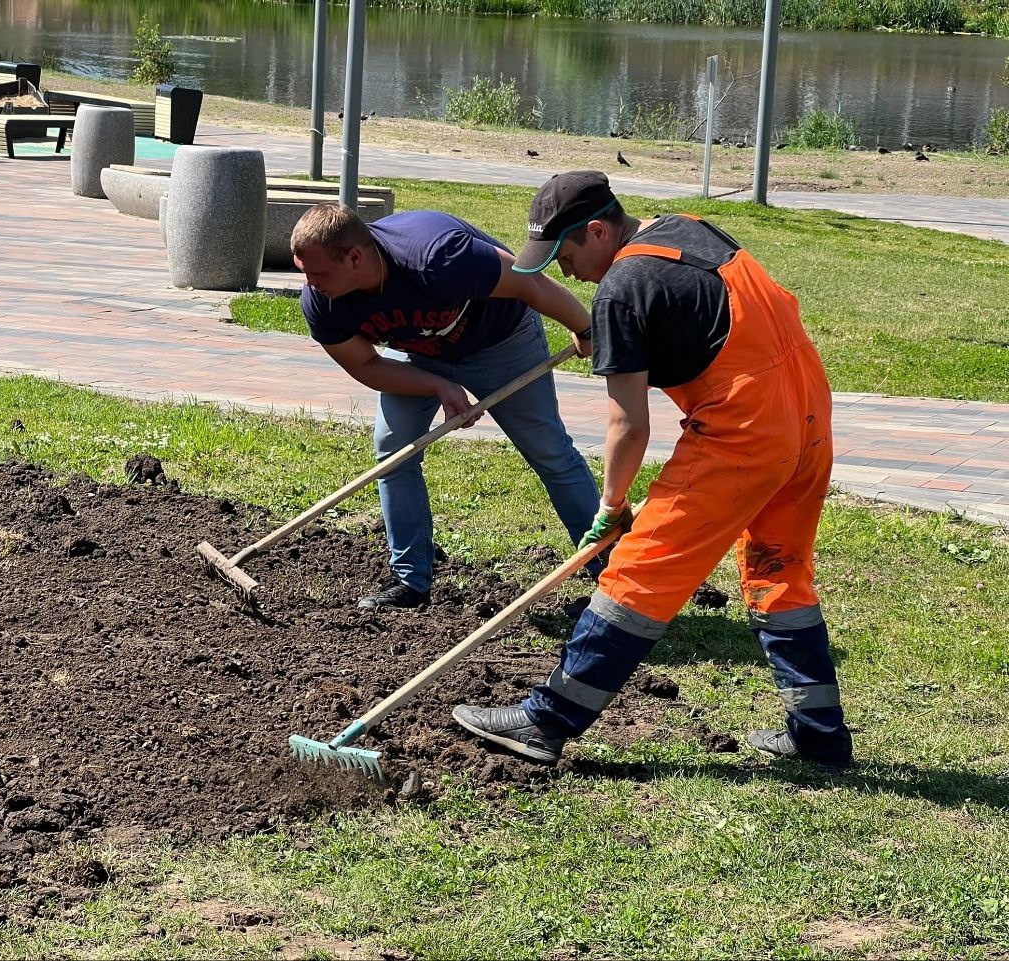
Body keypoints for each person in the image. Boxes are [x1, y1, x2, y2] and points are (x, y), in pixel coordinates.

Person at [452, 171, 854, 768]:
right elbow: (698, 319)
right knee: (779, 569)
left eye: (563, 254)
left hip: (741, 439)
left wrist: (611, 508)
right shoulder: (688, 230)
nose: (563, 272)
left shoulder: (622, 288)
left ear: (595, 230)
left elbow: (628, 426)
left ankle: (546, 721)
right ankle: (819, 734)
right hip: (807, 424)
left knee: (639, 572)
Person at [291, 204, 603, 611]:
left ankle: (614, 578)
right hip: (421, 354)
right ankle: (410, 581)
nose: (310, 284)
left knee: (550, 452)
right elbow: (365, 364)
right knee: (394, 449)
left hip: (502, 342)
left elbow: (531, 285)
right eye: (305, 274)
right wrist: (437, 385)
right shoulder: (323, 302)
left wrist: (585, 328)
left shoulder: (438, 257)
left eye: (318, 273)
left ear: (354, 257)